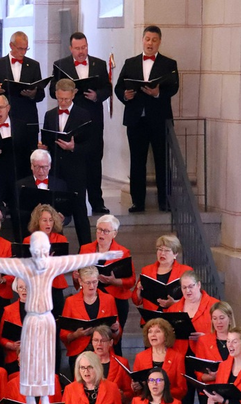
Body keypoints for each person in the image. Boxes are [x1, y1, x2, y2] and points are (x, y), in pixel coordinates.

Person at [0, 230, 122, 404]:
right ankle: (29, 400)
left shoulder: (52, 264)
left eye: (45, 250)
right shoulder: (25, 266)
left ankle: (44, 400)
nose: (42, 254)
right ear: (33, 251)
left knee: (46, 359)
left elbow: (78, 260)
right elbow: (1, 263)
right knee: (28, 359)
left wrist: (103, 256)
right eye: (38, 250)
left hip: (47, 319)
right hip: (32, 318)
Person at [114, 26, 180, 213]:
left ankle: (165, 201)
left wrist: (158, 92)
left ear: (159, 42)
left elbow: (174, 87)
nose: (150, 43)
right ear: (142, 40)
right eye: (147, 39)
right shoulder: (130, 62)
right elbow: (119, 87)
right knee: (137, 161)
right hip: (136, 120)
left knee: (162, 161)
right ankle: (138, 202)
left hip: (159, 120)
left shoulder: (169, 64)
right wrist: (125, 95)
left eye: (154, 40)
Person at [50, 32, 112, 214]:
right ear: (71, 49)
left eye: (84, 47)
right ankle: (69, 203)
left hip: (93, 120)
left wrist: (97, 96)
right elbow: (53, 91)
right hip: (70, 120)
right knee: (70, 162)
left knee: (93, 161)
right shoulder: (60, 65)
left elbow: (107, 88)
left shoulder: (99, 65)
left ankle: (96, 202)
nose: (81, 52)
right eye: (77, 48)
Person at [165, 270, 219, 404]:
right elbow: (169, 338)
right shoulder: (175, 308)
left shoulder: (213, 305)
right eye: (184, 287)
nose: (187, 290)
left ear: (199, 285)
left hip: (205, 361)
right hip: (182, 360)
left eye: (190, 286)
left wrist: (204, 336)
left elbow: (222, 332)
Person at [39, 78, 93, 245]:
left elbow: (92, 145)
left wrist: (73, 147)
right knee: (55, 211)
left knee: (79, 211)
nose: (63, 102)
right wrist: (44, 146)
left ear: (73, 95)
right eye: (60, 99)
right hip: (56, 171)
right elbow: (48, 139)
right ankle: (56, 248)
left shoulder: (84, 114)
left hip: (76, 169)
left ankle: (86, 250)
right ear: (56, 95)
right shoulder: (49, 115)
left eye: (67, 99)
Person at [77, 214, 135, 351]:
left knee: (113, 338)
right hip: (91, 297)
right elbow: (79, 275)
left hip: (116, 298)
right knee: (92, 338)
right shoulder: (85, 249)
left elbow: (131, 280)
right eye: (99, 229)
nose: (101, 233)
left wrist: (115, 281)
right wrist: (76, 276)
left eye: (106, 231)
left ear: (114, 233)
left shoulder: (122, 252)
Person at [0, 95, 37, 227]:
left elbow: (28, 152)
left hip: (19, 177)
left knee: (20, 218)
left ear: (8, 108)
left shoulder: (21, 125)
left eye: (1, 108)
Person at [60, 266, 120, 371]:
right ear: (80, 281)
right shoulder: (71, 302)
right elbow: (63, 335)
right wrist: (76, 334)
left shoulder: (108, 299)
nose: (92, 286)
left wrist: (116, 329)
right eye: (88, 282)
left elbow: (116, 334)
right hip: (80, 350)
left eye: (95, 282)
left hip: (103, 351)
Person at [0, 31, 45, 129]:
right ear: (11, 45)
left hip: (28, 117)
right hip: (6, 117)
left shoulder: (34, 65)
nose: (23, 52)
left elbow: (41, 95)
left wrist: (32, 94)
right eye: (20, 49)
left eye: (26, 49)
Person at [25, 204, 70, 328]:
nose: (48, 223)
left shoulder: (60, 239)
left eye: (51, 220)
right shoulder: (28, 241)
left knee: (56, 324)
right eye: (44, 220)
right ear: (37, 222)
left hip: (55, 285)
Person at [14, 149, 70, 242]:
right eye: (37, 167)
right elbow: (16, 213)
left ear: (50, 166)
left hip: (55, 237)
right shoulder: (20, 185)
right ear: (31, 166)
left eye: (44, 167)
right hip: (30, 235)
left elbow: (68, 213)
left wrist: (62, 219)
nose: (41, 171)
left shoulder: (60, 184)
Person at [132, 234, 193, 314]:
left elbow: (193, 297)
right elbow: (136, 301)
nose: (162, 253)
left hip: (175, 316)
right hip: (152, 318)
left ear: (175, 254)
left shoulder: (185, 271)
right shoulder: (146, 270)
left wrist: (174, 303)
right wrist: (138, 291)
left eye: (167, 250)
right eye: (160, 250)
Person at [132, 318, 187, 403]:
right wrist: (136, 387)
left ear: (166, 335)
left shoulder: (177, 357)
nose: (153, 335)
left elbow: (182, 389)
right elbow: (136, 388)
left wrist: (161, 395)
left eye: (157, 331)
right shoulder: (140, 357)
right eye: (150, 332)